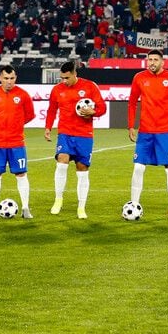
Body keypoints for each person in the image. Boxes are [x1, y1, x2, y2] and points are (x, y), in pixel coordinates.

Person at [127, 49, 168, 219]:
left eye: (155, 59)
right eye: (150, 60)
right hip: (145, 132)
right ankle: (134, 204)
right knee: (138, 167)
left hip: (165, 132)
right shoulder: (139, 78)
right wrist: (131, 125)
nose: (152, 62)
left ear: (163, 62)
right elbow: (132, 103)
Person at [44, 60, 106, 219]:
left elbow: (102, 108)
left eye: (66, 78)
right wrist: (48, 128)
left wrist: (93, 112)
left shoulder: (90, 86)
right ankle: (58, 200)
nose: (64, 81)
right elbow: (52, 110)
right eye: (62, 78)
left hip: (84, 135)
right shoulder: (57, 90)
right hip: (65, 134)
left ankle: (81, 207)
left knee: (82, 170)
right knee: (62, 162)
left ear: (75, 73)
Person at [0, 64, 35, 219]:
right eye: (6, 78)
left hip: (17, 143)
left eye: (12, 78)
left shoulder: (23, 95)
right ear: (0, 78)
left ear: (15, 78)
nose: (9, 81)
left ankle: (25, 208)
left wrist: (15, 125)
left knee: (21, 173)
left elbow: (30, 115)